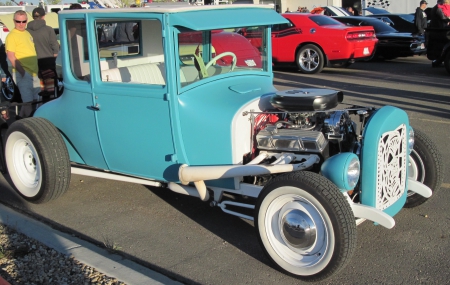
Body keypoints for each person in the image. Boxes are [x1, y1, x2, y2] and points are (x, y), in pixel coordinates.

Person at [5, 10, 40, 117]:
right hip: (23, 73)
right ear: (13, 21)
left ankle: (19, 118)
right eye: (18, 21)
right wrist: (23, 73)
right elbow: (11, 56)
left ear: (26, 21)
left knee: (35, 100)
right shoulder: (11, 36)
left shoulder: (27, 33)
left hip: (34, 72)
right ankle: (31, 126)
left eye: (23, 21)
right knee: (28, 102)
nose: (21, 24)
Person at [27, 7, 59, 99]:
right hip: (48, 64)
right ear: (43, 16)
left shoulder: (26, 31)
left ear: (33, 17)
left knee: (40, 92)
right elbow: (55, 47)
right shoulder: (48, 29)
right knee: (51, 93)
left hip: (33, 64)